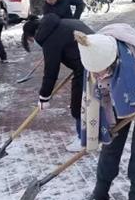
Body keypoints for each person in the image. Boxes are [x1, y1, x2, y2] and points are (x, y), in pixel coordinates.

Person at [75, 24, 135, 200]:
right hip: (115, 100)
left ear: (116, 58)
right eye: (96, 72)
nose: (99, 75)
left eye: (104, 70)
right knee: (111, 143)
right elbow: (97, 93)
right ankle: (101, 191)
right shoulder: (94, 53)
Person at [22, 13, 93, 151]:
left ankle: (82, 139)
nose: (34, 41)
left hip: (87, 65)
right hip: (95, 58)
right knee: (92, 102)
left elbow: (51, 71)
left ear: (35, 33)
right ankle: (93, 136)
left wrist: (44, 97)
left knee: (78, 105)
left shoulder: (50, 38)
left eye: (31, 39)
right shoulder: (63, 22)